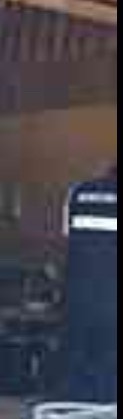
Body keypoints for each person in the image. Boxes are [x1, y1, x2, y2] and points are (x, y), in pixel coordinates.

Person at [62, 164, 118, 403]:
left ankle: (72, 412)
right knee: (109, 365)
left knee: (77, 358)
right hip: (112, 295)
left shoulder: (77, 191)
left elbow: (68, 238)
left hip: (78, 293)